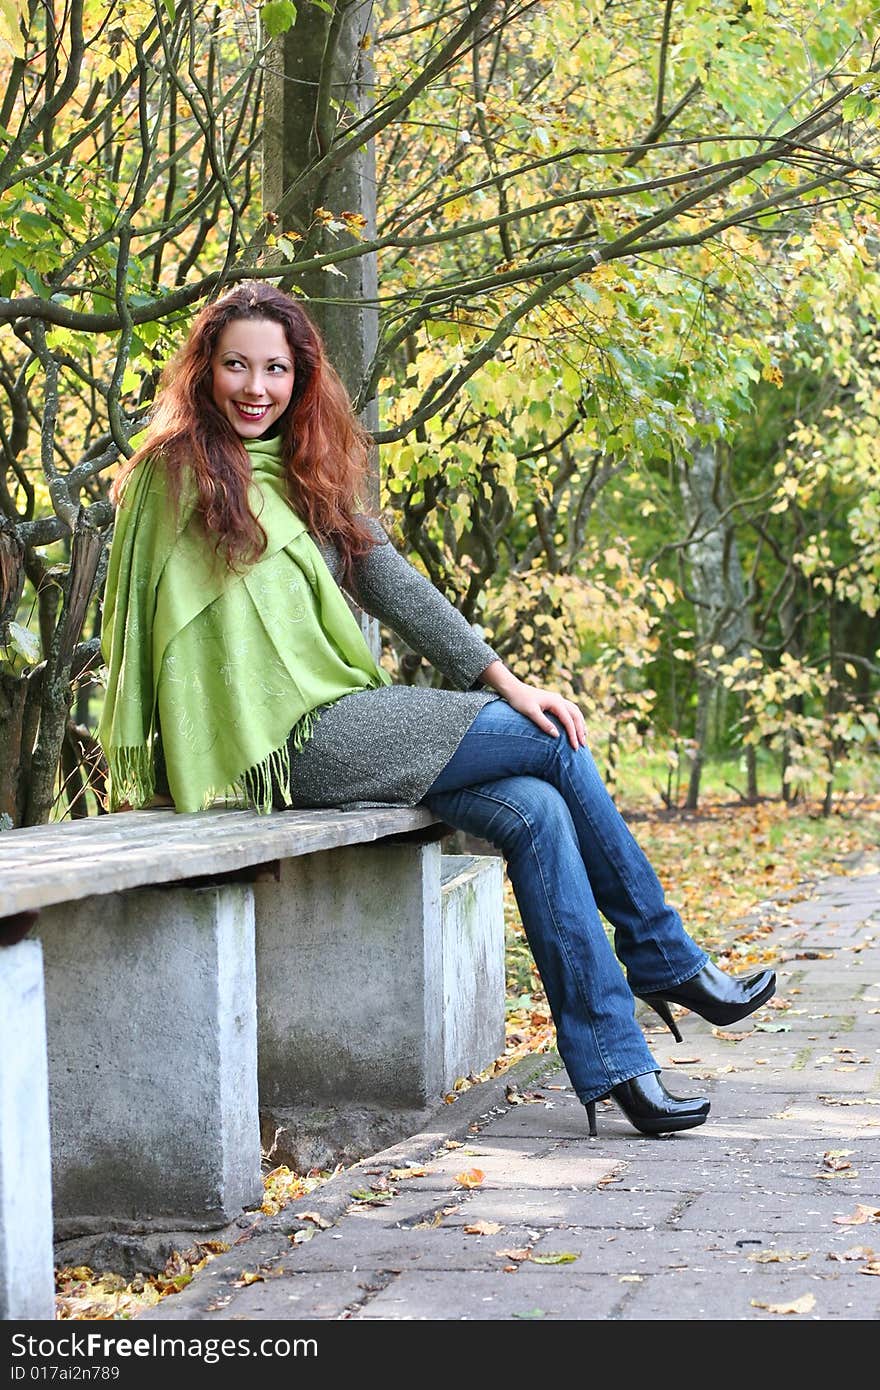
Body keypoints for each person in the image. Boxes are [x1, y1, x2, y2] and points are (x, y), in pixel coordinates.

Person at [98, 281, 775, 1139]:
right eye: (237, 365)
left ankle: (618, 1069)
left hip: (349, 716)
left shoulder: (301, 471)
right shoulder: (178, 472)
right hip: (284, 741)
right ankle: (668, 961)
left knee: (535, 810)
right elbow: (158, 630)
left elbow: (391, 581)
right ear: (205, 371)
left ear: (302, 380)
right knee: (554, 749)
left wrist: (502, 677)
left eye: (276, 369)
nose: (256, 388)